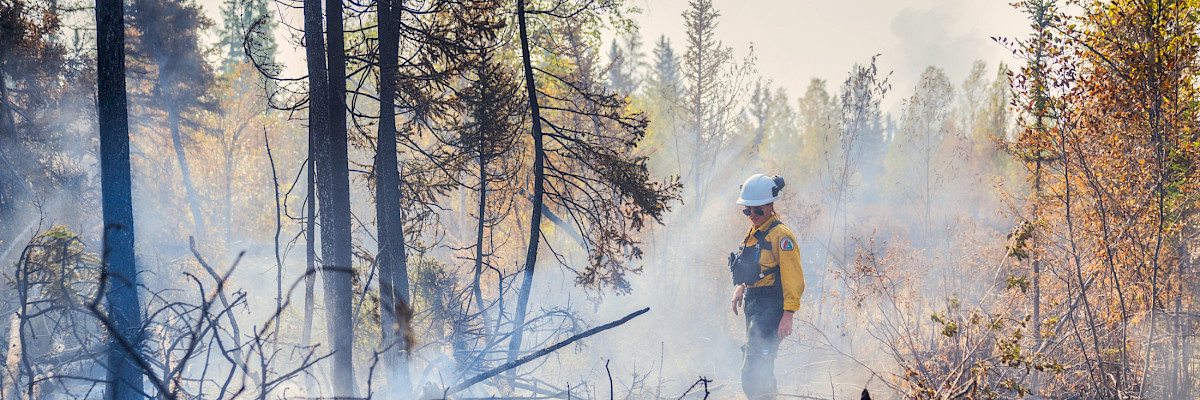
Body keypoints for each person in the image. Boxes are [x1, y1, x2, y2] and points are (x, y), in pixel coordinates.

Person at [729, 173, 805, 400]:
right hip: (754, 303)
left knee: (755, 368)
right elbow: (754, 265)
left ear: (771, 206)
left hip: (770, 305)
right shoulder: (754, 232)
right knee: (758, 362)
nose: (752, 215)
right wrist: (741, 286)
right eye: (747, 210)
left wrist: (788, 314)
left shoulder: (782, 236)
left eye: (758, 210)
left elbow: (794, 277)